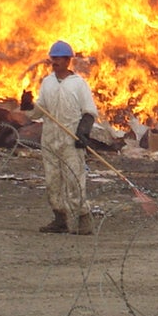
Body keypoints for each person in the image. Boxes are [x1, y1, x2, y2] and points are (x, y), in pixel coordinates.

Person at [30, 40, 100, 234]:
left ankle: (83, 220)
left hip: (71, 139)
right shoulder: (47, 82)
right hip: (50, 138)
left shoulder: (78, 84)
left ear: (68, 60)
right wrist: (28, 105)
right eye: (53, 58)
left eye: (59, 58)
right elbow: (39, 112)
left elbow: (89, 112)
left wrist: (83, 132)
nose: (55, 61)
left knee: (74, 180)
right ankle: (59, 218)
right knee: (53, 180)